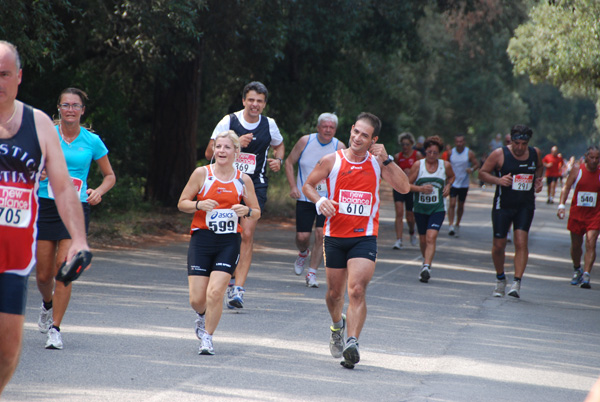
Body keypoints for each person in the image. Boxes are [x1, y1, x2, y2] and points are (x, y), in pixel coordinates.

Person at [0, 41, 89, 395]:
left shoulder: (38, 124)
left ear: (18, 77)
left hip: (14, 259)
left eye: (5, 74)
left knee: (7, 353)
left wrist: (80, 239)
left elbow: (65, 188)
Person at [302, 112, 410, 369]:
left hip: (364, 237)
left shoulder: (378, 163)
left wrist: (388, 159)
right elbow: (308, 185)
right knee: (334, 294)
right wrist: (320, 200)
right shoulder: (332, 160)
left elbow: (404, 188)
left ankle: (352, 342)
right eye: (356, 132)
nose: (358, 138)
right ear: (351, 130)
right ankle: (337, 327)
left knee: (357, 290)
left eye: (365, 135)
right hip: (335, 236)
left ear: (374, 139)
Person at [35, 88, 116, 350]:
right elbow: (25, 165)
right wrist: (39, 174)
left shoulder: (91, 141)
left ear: (83, 110)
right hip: (46, 204)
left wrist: (98, 192)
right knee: (43, 273)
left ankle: (55, 328)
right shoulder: (46, 134)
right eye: (65, 105)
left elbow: (109, 176)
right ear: (58, 108)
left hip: (76, 207)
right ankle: (47, 304)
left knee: (64, 268)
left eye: (75, 105)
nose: (70, 109)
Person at [178, 130, 261, 355]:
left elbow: (257, 213)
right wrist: (198, 205)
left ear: (236, 151)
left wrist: (247, 210)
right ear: (214, 150)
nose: (222, 151)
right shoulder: (201, 173)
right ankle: (202, 316)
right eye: (218, 147)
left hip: (228, 242)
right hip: (202, 239)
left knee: (215, 293)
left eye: (227, 147)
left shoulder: (243, 180)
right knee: (197, 299)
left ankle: (207, 337)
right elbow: (182, 203)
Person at [205, 81, 284, 309]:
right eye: (251, 100)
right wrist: (237, 142)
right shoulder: (229, 121)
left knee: (247, 233)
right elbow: (209, 151)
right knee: (228, 232)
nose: (255, 105)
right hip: (226, 182)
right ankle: (225, 273)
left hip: (254, 184)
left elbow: (279, 145)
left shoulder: (269, 125)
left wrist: (277, 160)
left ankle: (238, 289)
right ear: (243, 101)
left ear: (264, 104)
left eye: (259, 101)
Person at [479, 124, 543, 298]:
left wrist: (538, 180)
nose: (520, 147)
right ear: (511, 140)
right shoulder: (500, 154)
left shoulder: (534, 153)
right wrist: (498, 181)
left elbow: (539, 167)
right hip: (503, 204)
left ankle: (517, 282)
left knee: (521, 242)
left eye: (524, 143)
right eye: (517, 143)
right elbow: (482, 173)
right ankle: (500, 278)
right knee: (498, 245)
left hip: (525, 205)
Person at [284, 113, 345, 287]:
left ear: (335, 130)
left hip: (326, 199)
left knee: (321, 234)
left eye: (331, 127)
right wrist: (292, 187)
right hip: (305, 196)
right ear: (318, 128)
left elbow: (344, 171)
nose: (327, 130)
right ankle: (303, 253)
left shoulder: (339, 146)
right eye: (324, 126)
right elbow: (289, 163)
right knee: (302, 237)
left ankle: (312, 273)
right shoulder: (305, 141)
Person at [408, 136, 455, 283]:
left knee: (431, 237)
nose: (432, 155)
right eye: (429, 152)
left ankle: (427, 266)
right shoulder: (418, 165)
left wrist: (448, 186)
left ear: (439, 153)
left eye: (435, 152)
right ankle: (425, 262)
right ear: (425, 151)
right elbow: (406, 185)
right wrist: (420, 188)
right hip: (420, 208)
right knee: (423, 239)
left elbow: (452, 177)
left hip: (437, 208)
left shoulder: (445, 165)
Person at [557, 145, 600, 289]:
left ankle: (587, 275)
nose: (594, 161)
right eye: (591, 157)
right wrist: (561, 205)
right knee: (576, 246)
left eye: (597, 158)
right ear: (586, 157)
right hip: (577, 214)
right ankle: (577, 269)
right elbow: (567, 187)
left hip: (595, 215)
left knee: (591, 243)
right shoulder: (577, 170)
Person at [392, 132, 422, 250]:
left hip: (411, 188)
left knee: (410, 216)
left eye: (407, 144)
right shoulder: (397, 157)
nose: (405, 147)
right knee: (399, 212)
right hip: (398, 187)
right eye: (403, 144)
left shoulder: (417, 155)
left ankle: (411, 231)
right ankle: (398, 240)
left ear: (412, 144)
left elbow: (423, 170)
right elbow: (392, 171)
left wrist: (413, 174)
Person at [447, 134, 479, 237]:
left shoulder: (468, 153)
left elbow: (477, 164)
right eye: (457, 142)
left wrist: (472, 169)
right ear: (455, 142)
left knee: (460, 205)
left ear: (464, 142)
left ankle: (457, 224)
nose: (459, 144)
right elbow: (446, 165)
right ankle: (451, 225)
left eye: (461, 142)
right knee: (452, 204)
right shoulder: (451, 152)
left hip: (464, 183)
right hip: (453, 182)